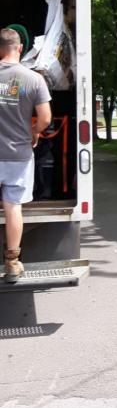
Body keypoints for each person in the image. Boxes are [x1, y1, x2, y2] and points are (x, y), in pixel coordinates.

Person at [0, 28, 51, 282]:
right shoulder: (34, 79)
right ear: (20, 48)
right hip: (18, 155)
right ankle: (12, 263)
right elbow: (45, 119)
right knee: (13, 206)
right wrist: (34, 131)